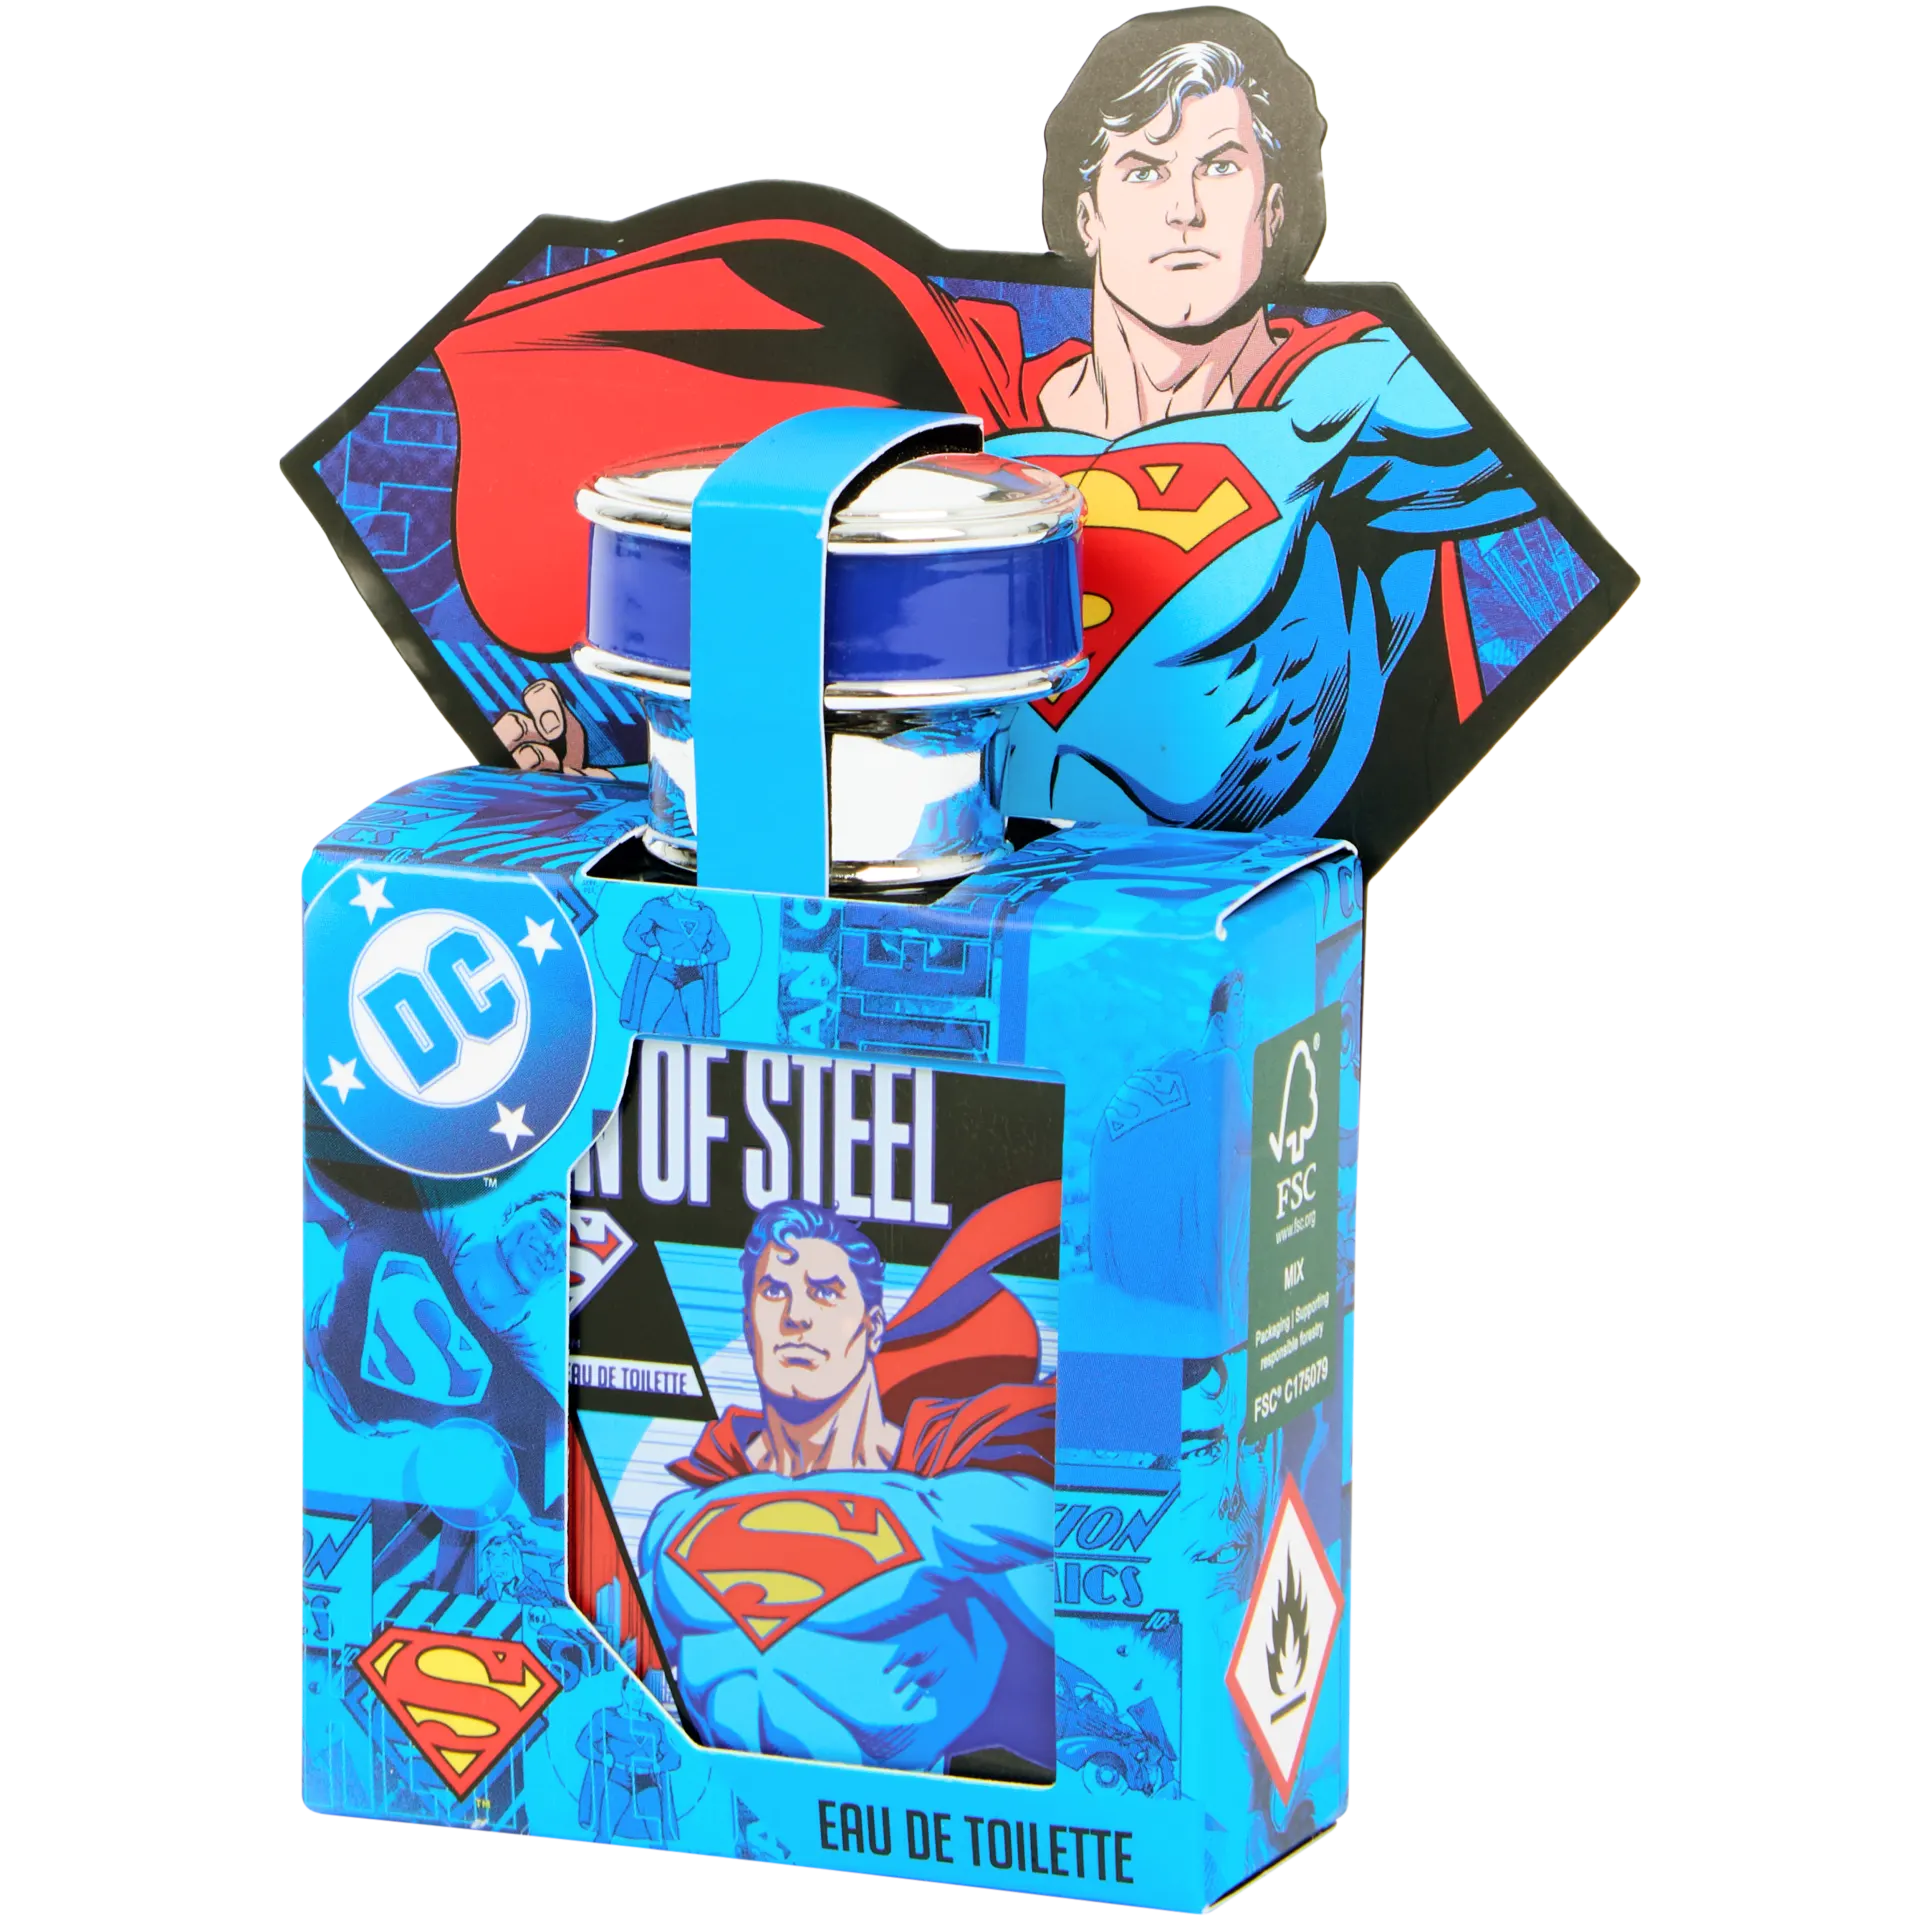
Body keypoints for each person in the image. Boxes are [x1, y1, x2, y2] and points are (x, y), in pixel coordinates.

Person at [450, 13, 1575, 849]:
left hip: (1220, 921)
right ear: (1088, 212)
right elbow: (819, 658)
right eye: (1145, 169)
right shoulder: (953, 422)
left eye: (1221, 166)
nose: (1183, 208)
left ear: (1275, 210)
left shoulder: (1344, 406)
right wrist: (618, 764)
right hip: (978, 906)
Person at [636, 1190, 1059, 1772]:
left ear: (873, 1325)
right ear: (748, 1323)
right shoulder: (679, 1519)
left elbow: (1103, 1662)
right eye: (774, 1291)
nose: (796, 1316)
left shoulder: (960, 1491)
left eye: (825, 1292)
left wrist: (990, 1659)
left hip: (905, 1821)